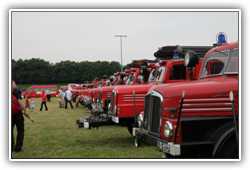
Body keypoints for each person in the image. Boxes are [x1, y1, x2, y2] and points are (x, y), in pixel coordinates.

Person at [12, 81, 34, 153]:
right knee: (20, 130)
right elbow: (20, 104)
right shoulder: (16, 91)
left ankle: (11, 146)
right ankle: (18, 147)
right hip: (17, 113)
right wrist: (25, 110)